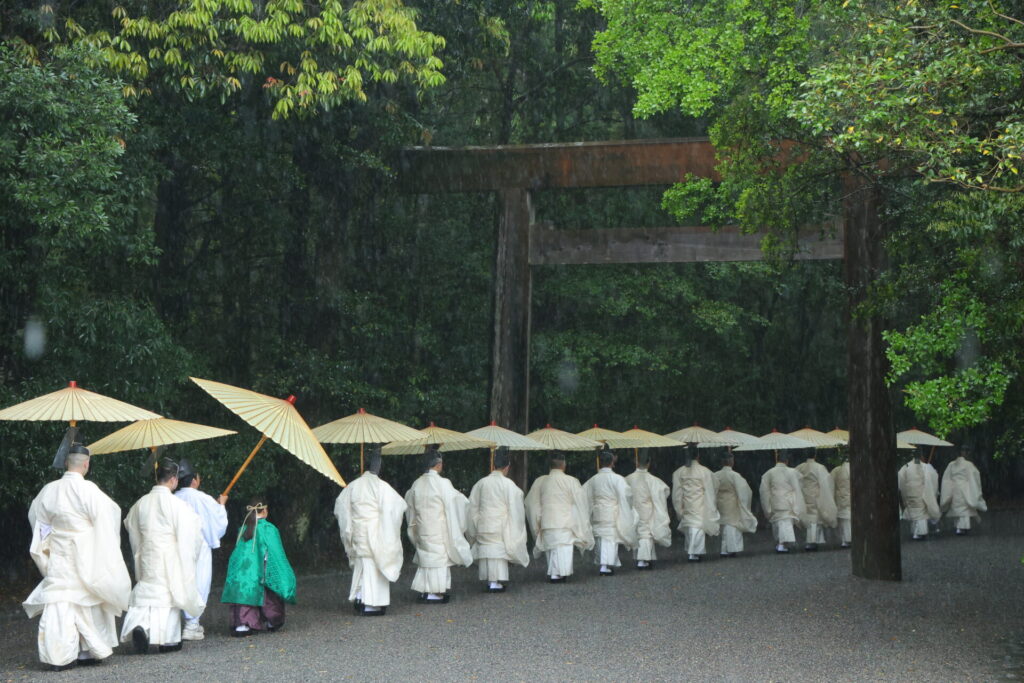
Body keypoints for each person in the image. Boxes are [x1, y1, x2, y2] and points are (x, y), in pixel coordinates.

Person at [23, 445, 131, 671]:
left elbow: (39, 522)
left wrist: (47, 548)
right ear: (86, 464)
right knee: (87, 599)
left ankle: (58, 655)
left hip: (59, 554)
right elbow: (107, 520)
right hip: (86, 554)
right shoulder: (90, 491)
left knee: (60, 600)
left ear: (66, 463)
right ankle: (88, 651)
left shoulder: (49, 490)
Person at [120, 459, 204, 654]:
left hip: (147, 553)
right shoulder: (177, 505)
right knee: (168, 594)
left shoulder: (141, 503)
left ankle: (141, 625)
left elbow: (130, 525)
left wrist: (141, 547)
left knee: (147, 591)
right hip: (169, 555)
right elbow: (191, 533)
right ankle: (167, 639)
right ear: (174, 479)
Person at [333, 448, 407, 616]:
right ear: (378, 465)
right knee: (373, 568)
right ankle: (371, 604)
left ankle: (361, 598)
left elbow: (341, 509)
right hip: (376, 534)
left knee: (362, 567)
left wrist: (349, 531)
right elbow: (396, 508)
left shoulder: (352, 486)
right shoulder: (382, 486)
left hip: (358, 533)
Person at [404, 447, 473, 603]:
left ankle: (426, 590)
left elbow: (410, 506)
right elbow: (458, 502)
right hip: (438, 528)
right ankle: (434, 593)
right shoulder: (443, 483)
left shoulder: (417, 483)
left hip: (422, 527)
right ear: (438, 464)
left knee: (426, 558)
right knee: (439, 560)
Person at [221, 496, 296, 635]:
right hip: (262, 568)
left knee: (245, 594)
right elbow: (276, 553)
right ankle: (271, 621)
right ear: (265, 510)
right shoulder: (269, 528)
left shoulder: (243, 528)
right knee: (269, 593)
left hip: (242, 570)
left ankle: (242, 624)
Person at [174, 458, 228, 641]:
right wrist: (221, 504)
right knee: (200, 582)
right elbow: (218, 523)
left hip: (176, 546)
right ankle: (192, 624)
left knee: (180, 582)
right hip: (199, 547)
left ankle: (184, 623)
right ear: (194, 480)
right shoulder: (202, 498)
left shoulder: (172, 498)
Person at [465, 448, 529, 592]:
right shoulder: (508, 485)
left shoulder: (481, 483)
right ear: (507, 467)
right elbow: (515, 508)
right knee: (497, 552)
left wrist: (475, 522)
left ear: (494, 465)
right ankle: (494, 582)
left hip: (483, 524)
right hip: (500, 525)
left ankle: (491, 581)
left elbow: (472, 507)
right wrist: (515, 527)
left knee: (488, 551)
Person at [524, 453, 594, 582]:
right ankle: (558, 574)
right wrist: (581, 522)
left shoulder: (540, 481)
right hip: (565, 521)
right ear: (564, 465)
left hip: (547, 520)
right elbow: (581, 503)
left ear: (550, 466)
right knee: (563, 549)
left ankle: (554, 574)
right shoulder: (571, 481)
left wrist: (537, 521)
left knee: (552, 549)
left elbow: (531, 503)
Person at [582, 449, 638, 575]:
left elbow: (584, 495)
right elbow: (627, 495)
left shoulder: (593, 479)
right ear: (612, 462)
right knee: (611, 538)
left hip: (598, 512)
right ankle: (606, 566)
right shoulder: (617, 479)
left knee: (601, 538)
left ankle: (603, 564)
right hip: (612, 512)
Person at [624, 450, 671, 569]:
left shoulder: (627, 479)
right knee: (646, 533)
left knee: (638, 532)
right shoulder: (653, 480)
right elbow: (664, 491)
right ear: (649, 463)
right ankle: (642, 560)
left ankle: (644, 557)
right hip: (647, 508)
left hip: (632, 509)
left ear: (636, 462)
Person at [671, 447, 720, 562]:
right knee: (697, 527)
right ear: (698, 456)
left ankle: (692, 551)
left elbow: (676, 493)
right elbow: (713, 487)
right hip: (701, 504)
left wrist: (679, 508)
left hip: (687, 504)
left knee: (690, 527)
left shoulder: (679, 472)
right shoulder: (705, 471)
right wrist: (711, 504)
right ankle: (695, 552)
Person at [759, 451, 806, 553]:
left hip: (775, 500)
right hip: (788, 500)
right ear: (787, 461)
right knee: (786, 522)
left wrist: (767, 504)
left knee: (779, 522)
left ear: (777, 460)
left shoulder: (769, 473)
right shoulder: (792, 472)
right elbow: (799, 485)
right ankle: (782, 544)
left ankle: (781, 543)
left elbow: (764, 491)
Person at [713, 452, 757, 557]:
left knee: (724, 525)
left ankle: (724, 549)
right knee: (732, 525)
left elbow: (712, 490)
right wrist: (743, 503)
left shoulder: (715, 475)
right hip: (732, 502)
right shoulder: (734, 475)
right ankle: (731, 549)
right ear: (731, 462)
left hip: (720, 502)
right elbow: (744, 491)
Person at [795, 448, 838, 550]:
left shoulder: (799, 467)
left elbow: (796, 481)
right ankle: (813, 540)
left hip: (803, 494)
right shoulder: (819, 467)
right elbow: (826, 482)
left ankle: (810, 539)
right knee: (815, 517)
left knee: (808, 516)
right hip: (816, 494)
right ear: (815, 455)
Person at [940, 445, 987, 535]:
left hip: (954, 487)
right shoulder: (968, 464)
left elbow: (946, 478)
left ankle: (958, 527)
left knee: (957, 506)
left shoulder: (951, 464)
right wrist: (973, 486)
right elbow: (974, 475)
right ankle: (963, 527)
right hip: (965, 488)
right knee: (964, 507)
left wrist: (948, 488)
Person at [898, 447, 941, 540]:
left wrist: (905, 492)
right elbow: (933, 477)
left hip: (910, 492)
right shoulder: (925, 466)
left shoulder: (906, 466)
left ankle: (915, 532)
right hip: (921, 492)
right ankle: (920, 532)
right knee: (921, 512)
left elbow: (901, 480)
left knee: (914, 512)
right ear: (921, 456)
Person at [830, 455, 852, 548]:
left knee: (843, 520)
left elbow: (830, 484)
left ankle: (845, 540)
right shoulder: (855, 468)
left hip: (841, 497)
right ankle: (851, 538)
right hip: (853, 496)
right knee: (851, 518)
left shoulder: (836, 470)